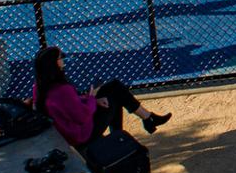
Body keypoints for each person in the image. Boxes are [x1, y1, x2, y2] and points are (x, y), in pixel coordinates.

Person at [32, 45, 170, 150]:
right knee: (114, 96)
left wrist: (92, 99)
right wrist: (92, 99)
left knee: (113, 88)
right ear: (54, 64)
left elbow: (69, 106)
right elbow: (82, 115)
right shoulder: (62, 90)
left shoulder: (39, 87)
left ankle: (146, 119)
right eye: (60, 57)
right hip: (80, 135)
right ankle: (136, 127)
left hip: (66, 133)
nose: (63, 59)